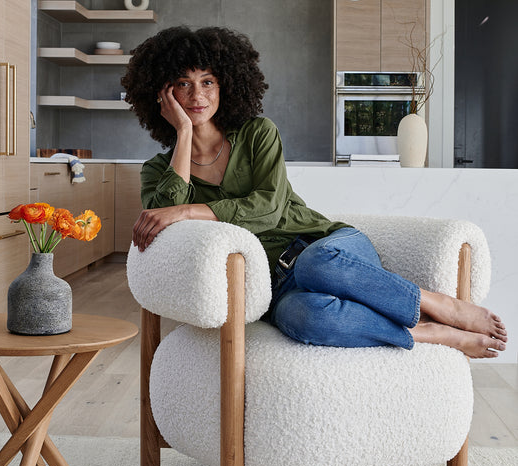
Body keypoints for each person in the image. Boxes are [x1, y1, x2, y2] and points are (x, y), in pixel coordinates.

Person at [121, 26, 507, 359]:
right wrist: (184, 135)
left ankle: (438, 303)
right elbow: (164, 224)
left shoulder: (258, 133)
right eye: (183, 84)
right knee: (305, 320)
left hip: (328, 249)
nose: (196, 95)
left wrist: (189, 211)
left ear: (225, 86)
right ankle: (429, 332)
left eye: (207, 81)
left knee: (314, 264)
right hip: (277, 287)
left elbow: (268, 209)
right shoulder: (158, 170)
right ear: (163, 95)